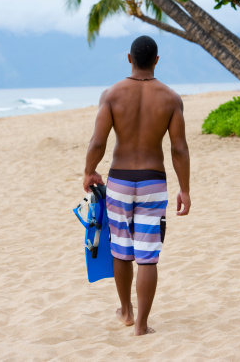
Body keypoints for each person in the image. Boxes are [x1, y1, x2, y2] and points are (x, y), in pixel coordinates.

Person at [83, 35, 191, 336]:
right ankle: (142, 326)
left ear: (129, 58)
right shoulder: (171, 98)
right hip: (153, 183)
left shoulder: (112, 94)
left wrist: (89, 171)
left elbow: (98, 142)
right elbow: (179, 148)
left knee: (120, 250)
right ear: (156, 60)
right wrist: (185, 189)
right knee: (147, 254)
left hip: (119, 181)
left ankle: (127, 312)